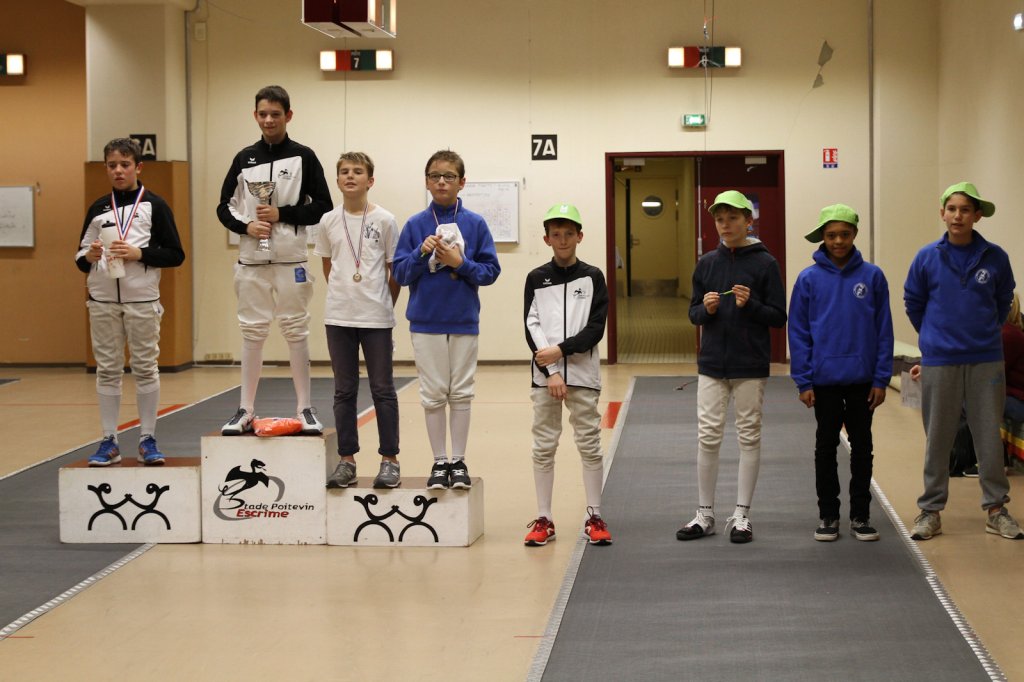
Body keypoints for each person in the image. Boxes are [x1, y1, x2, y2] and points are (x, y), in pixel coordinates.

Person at [904, 181, 1023, 541]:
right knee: (938, 437)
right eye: (952, 209)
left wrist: (983, 333)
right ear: (943, 213)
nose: (958, 216)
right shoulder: (927, 257)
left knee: (988, 436)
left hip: (986, 360)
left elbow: (1003, 300)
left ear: (977, 216)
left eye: (965, 210)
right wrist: (934, 338)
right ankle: (930, 510)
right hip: (940, 360)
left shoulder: (995, 257)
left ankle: (996, 510)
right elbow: (914, 302)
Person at [216, 85, 333, 436]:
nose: (269, 120)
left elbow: (323, 206)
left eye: (275, 114)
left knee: (295, 329)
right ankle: (245, 409)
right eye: (263, 114)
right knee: (252, 331)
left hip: (290, 259)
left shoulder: (304, 157)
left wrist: (282, 213)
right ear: (255, 115)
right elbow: (224, 207)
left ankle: (305, 408)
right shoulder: (244, 158)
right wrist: (246, 226)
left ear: (288, 116)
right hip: (252, 262)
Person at [676, 190, 787, 543]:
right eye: (720, 219)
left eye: (733, 218)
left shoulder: (765, 264)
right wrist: (706, 310)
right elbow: (693, 313)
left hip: (749, 364)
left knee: (748, 435)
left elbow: (778, 316)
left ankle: (741, 514)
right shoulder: (707, 263)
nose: (726, 225)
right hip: (712, 364)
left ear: (748, 220)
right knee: (708, 436)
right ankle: (704, 513)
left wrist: (750, 305)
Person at [391, 150, 501, 490]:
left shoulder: (475, 224)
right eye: (435, 176)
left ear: (462, 182)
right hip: (426, 321)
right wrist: (421, 253)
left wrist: (460, 263)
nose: (442, 182)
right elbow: (401, 274)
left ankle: (459, 460)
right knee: (433, 392)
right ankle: (440, 461)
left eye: (449, 176)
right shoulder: (415, 225)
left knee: (462, 392)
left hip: (463, 320)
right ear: (426, 182)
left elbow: (490, 272)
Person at [75, 138, 185, 466]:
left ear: (138, 167)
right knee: (108, 369)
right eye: (112, 165)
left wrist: (139, 253)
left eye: (125, 165)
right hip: (102, 301)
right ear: (106, 168)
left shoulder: (155, 205)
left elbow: (175, 254)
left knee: (145, 367)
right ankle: (109, 440)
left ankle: (147, 438)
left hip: (142, 300)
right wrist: (90, 255)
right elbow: (80, 256)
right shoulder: (98, 208)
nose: (118, 171)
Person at [788, 204, 894, 542]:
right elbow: (798, 333)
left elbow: (884, 331)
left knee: (862, 447)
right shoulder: (808, 279)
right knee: (825, 447)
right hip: (824, 382)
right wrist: (804, 380)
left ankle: (860, 516)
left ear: (855, 235)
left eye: (844, 234)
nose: (838, 241)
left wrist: (881, 378)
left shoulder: (873, 277)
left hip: (863, 381)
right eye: (831, 235)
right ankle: (829, 515)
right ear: (822, 236)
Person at [523, 204, 611, 546]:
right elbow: (531, 326)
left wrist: (560, 351)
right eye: (556, 234)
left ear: (579, 236)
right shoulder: (535, 278)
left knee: (589, 443)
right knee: (544, 445)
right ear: (547, 239)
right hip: (545, 378)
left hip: (583, 375)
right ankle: (544, 518)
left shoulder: (593, 277)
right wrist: (551, 371)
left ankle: (594, 515)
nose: (562, 240)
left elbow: (595, 328)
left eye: (569, 234)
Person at [314, 152, 402, 489]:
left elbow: (394, 270)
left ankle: (389, 460)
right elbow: (328, 266)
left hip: (376, 317)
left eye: (357, 171)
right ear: (337, 180)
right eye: (344, 172)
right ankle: (347, 460)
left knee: (383, 389)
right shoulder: (327, 221)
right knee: (344, 390)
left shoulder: (385, 220)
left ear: (370, 180)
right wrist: (345, 297)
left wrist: (382, 303)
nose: (350, 176)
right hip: (339, 317)